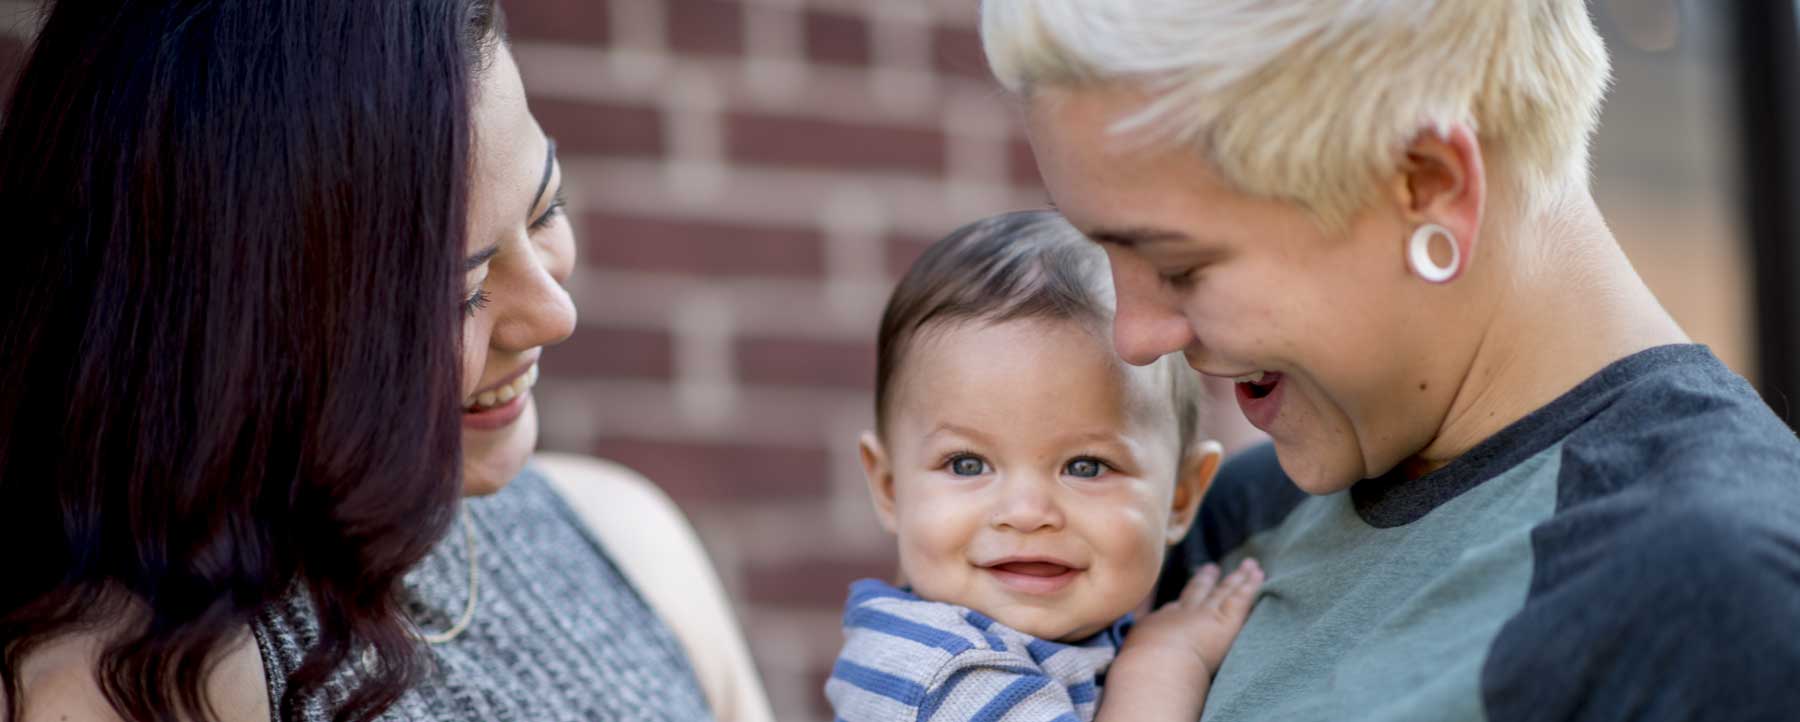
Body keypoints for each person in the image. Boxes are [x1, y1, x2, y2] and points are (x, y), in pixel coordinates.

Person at [980, 1, 1800, 720]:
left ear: (1429, 186)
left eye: (1178, 265)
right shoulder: (1239, 520)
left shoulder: (1716, 589)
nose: (1135, 336)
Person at [0, 2, 770, 721]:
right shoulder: (144, 683)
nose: (553, 315)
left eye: (547, 209)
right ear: (242, 326)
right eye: (456, 292)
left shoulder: (626, 542)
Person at [829, 211, 1264, 722]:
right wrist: (1164, 664)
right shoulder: (946, 675)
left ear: (1180, 497)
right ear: (890, 488)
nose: (1027, 513)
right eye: (968, 464)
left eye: (1086, 466)